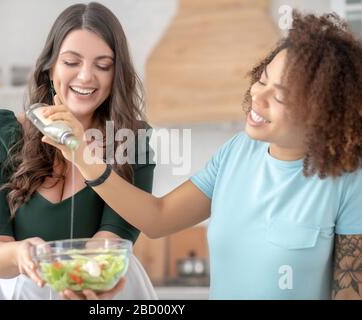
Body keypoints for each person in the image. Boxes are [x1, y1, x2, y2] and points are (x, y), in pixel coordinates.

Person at [43, 11, 362, 299]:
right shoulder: (238, 151)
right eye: (262, 80)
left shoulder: (349, 179)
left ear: (322, 113)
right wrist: (83, 156)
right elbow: (158, 218)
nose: (256, 96)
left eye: (277, 96)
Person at [0, 2, 156, 300]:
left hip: (102, 291)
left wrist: (84, 277)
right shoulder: (0, 135)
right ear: (50, 66)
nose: (85, 77)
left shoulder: (131, 142)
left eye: (103, 65)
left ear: (116, 74)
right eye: (71, 62)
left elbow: (113, 239)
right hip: (18, 291)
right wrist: (21, 253)